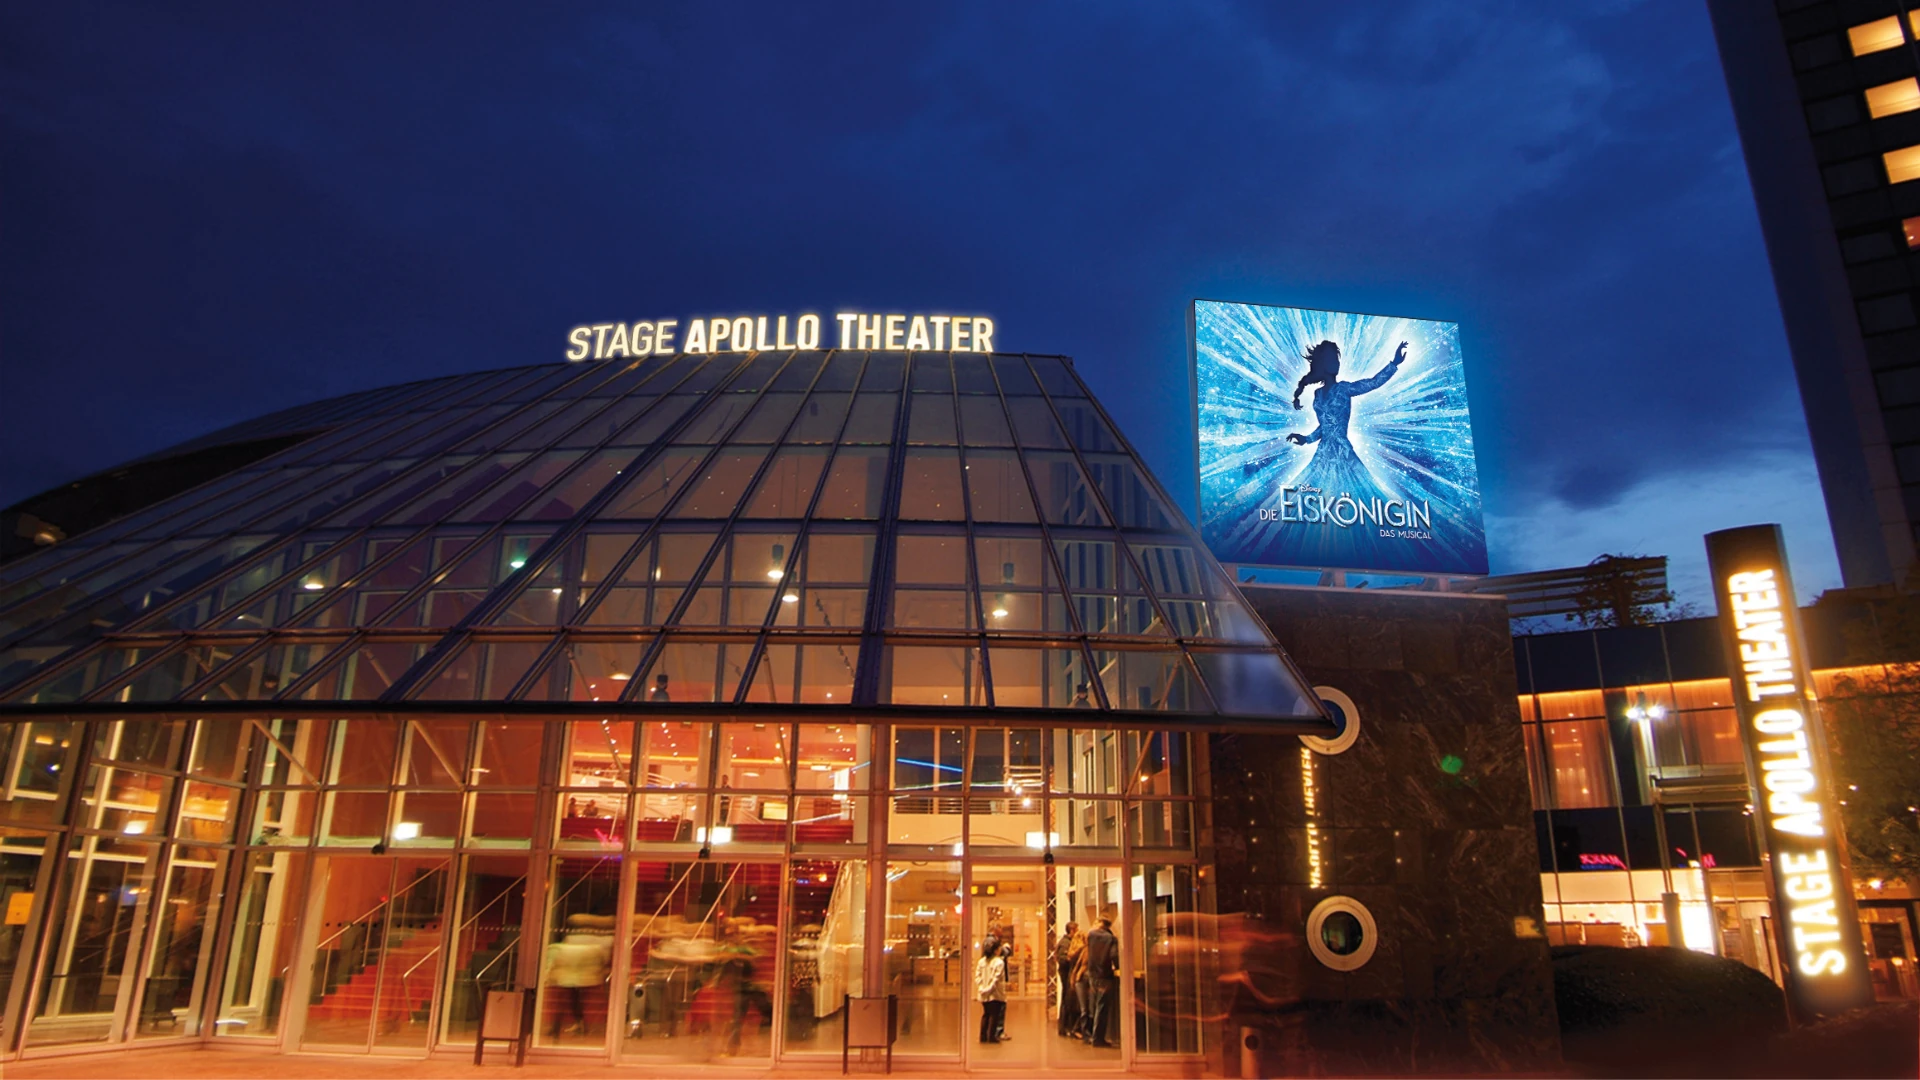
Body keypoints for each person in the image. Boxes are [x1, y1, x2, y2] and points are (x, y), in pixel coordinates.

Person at [1283, 339, 1407, 501]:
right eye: (1333, 359)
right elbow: (1325, 427)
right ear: (1324, 364)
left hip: (1343, 453)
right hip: (1323, 455)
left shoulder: (1344, 389)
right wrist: (1306, 439)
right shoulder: (1317, 395)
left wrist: (1394, 363)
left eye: (1337, 359)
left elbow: (1373, 383)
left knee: (1361, 496)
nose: (1337, 363)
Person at [543, 917, 613, 1038]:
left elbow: (553, 963)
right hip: (580, 976)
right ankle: (576, 1024)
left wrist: (548, 976)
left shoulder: (563, 945)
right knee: (573, 1001)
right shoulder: (597, 945)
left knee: (564, 1003)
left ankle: (558, 1027)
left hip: (569, 977)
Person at [1082, 913, 1119, 1048]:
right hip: (1104, 975)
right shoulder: (1111, 939)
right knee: (1102, 1007)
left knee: (1094, 1006)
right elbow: (1114, 955)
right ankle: (1098, 1038)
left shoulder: (1091, 936)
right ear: (1108, 926)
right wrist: (1118, 966)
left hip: (1092, 974)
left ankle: (1092, 1035)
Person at [1054, 921, 1085, 1037]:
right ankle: (1066, 1027)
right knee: (1067, 1001)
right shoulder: (1065, 943)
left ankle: (1067, 1027)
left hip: (1067, 974)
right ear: (1072, 931)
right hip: (1067, 975)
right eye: (1076, 930)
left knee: (1068, 1000)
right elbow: (1063, 959)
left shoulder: (1066, 942)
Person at [974, 936, 1007, 1044]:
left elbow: (977, 976)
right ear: (996, 949)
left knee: (986, 1014)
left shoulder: (981, 962)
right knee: (994, 1015)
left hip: (983, 993)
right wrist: (988, 989)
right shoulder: (999, 962)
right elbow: (996, 980)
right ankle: (991, 1037)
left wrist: (981, 988)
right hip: (995, 994)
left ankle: (983, 1036)